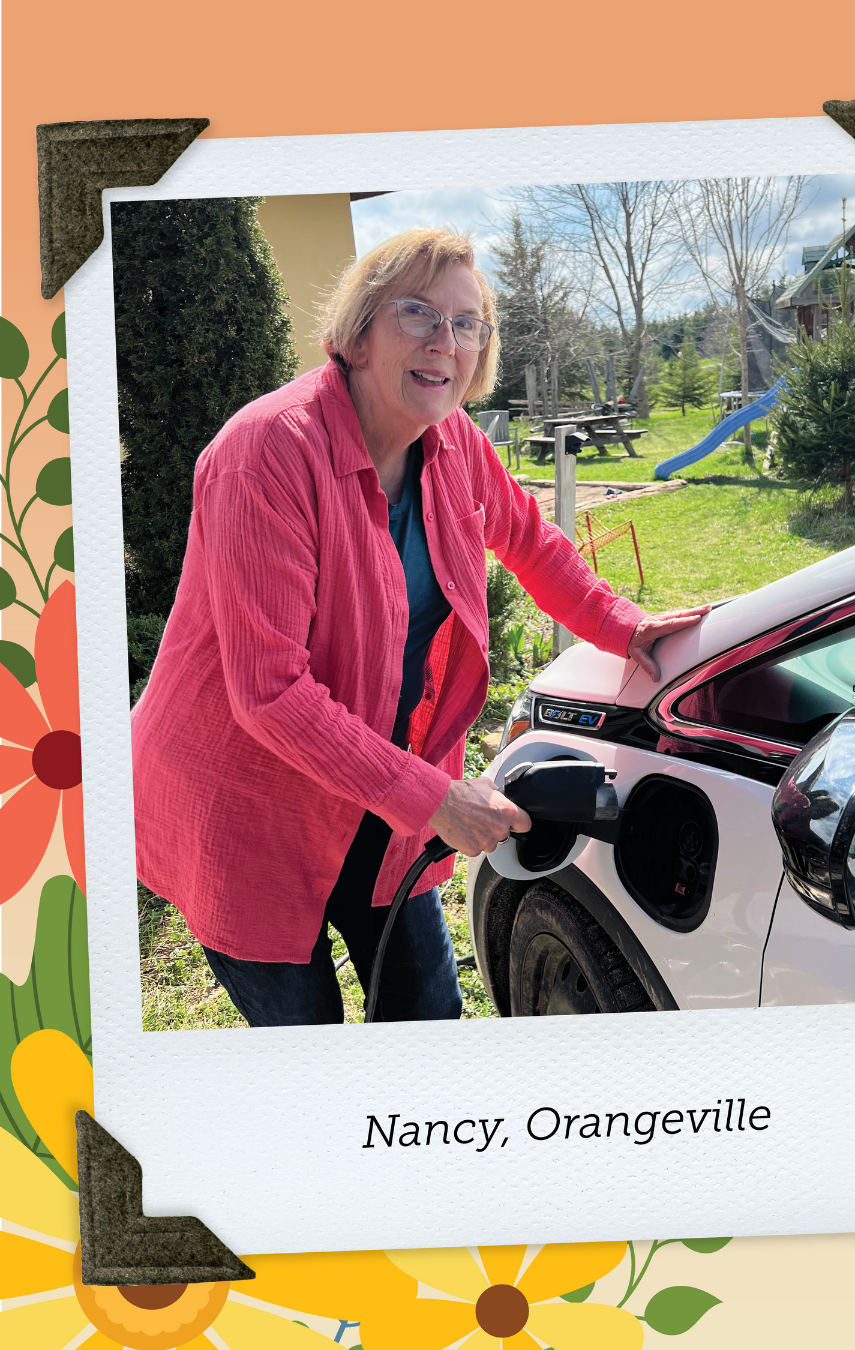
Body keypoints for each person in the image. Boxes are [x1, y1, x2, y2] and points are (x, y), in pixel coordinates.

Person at [131, 227, 707, 1027]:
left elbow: (532, 543)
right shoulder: (264, 454)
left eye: (467, 323)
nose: (447, 340)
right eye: (418, 313)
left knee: (427, 1014)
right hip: (246, 802)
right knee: (311, 1055)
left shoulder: (454, 443)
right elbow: (269, 694)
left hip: (379, 785)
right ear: (358, 333)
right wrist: (435, 798)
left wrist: (626, 626)